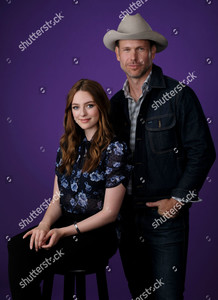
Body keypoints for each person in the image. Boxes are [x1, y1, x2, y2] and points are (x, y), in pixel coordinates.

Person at [103, 14, 216, 300]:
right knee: (139, 294)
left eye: (140, 49)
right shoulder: (113, 106)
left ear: (152, 51)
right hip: (127, 218)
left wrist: (178, 199)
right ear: (117, 54)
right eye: (127, 49)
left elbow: (203, 150)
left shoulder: (179, 96)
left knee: (168, 295)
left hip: (166, 217)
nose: (134, 57)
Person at [8, 79, 132, 300]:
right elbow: (57, 199)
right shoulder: (67, 146)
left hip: (99, 233)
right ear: (70, 111)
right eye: (76, 107)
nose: (82, 113)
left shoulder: (115, 148)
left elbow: (110, 213)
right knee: (19, 245)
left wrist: (62, 232)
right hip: (65, 223)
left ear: (101, 107)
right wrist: (45, 226)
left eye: (89, 105)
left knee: (37, 254)